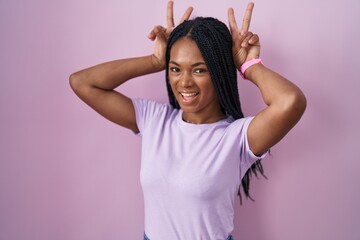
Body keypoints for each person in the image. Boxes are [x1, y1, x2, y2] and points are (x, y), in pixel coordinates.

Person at [69, 1, 306, 239]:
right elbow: (82, 82)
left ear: (220, 72)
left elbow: (290, 102)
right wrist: (154, 61)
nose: (184, 82)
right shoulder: (155, 120)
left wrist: (248, 65)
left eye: (199, 70)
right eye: (175, 69)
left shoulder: (237, 138)